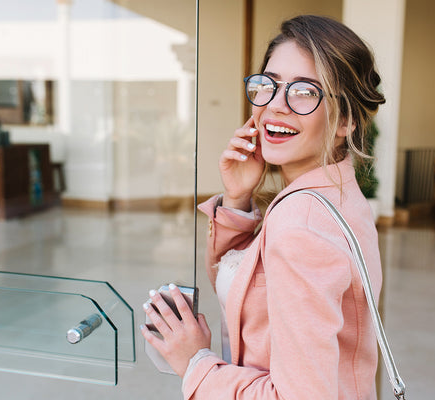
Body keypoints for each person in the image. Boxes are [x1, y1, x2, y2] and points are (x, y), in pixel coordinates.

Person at [141, 14, 386, 399]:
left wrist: (195, 363)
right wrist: (238, 197)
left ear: (347, 120)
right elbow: (254, 285)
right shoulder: (337, 193)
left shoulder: (300, 223)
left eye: (304, 91)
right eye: (267, 85)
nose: (275, 105)